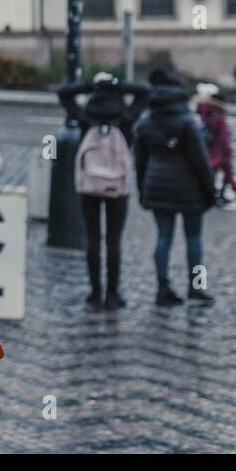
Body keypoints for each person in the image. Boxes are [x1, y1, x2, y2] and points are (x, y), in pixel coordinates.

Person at [57, 72, 150, 310]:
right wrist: (118, 86)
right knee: (113, 239)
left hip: (89, 185)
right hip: (117, 186)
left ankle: (94, 292)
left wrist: (92, 85)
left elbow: (64, 94)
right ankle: (113, 294)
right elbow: (144, 93)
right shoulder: (126, 117)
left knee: (93, 237)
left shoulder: (87, 116)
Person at [133, 69, 217, 306]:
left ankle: (162, 287)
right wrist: (210, 192)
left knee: (163, 238)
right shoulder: (186, 123)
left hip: (156, 186)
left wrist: (143, 190)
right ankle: (196, 288)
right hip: (189, 190)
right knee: (194, 239)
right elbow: (200, 161)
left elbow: (139, 162)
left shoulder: (146, 122)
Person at [195, 83, 236, 208]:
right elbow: (224, 136)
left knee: (219, 174)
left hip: (211, 149)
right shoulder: (219, 117)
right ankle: (223, 196)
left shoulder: (205, 113)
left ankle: (230, 196)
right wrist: (228, 150)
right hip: (220, 151)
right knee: (226, 174)